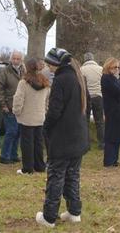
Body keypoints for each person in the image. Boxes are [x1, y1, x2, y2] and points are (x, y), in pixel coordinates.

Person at [36, 48, 89, 228]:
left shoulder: (60, 80)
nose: (48, 67)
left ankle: (49, 217)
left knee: (56, 176)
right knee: (73, 175)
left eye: (49, 64)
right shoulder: (77, 77)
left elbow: (54, 111)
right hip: (78, 136)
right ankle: (74, 212)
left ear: (54, 64)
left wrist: (46, 128)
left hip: (63, 137)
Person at [13, 57, 51, 175]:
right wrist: (44, 111)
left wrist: (16, 111)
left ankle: (28, 168)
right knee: (38, 142)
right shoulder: (44, 82)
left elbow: (18, 99)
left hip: (26, 117)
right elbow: (46, 100)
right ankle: (40, 166)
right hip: (40, 116)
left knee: (26, 143)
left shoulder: (23, 83)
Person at [0, 50, 24, 164]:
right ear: (11, 59)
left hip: (20, 107)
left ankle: (13, 154)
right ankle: (4, 156)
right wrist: (3, 105)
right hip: (9, 105)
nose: (16, 61)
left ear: (21, 60)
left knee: (17, 132)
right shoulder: (5, 71)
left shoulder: (23, 71)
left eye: (18, 59)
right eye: (14, 58)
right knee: (11, 131)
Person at [80, 53, 105, 149]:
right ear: (93, 59)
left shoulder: (81, 70)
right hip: (98, 96)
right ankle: (102, 143)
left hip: (86, 97)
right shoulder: (100, 69)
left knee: (85, 120)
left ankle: (86, 144)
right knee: (99, 121)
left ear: (85, 60)